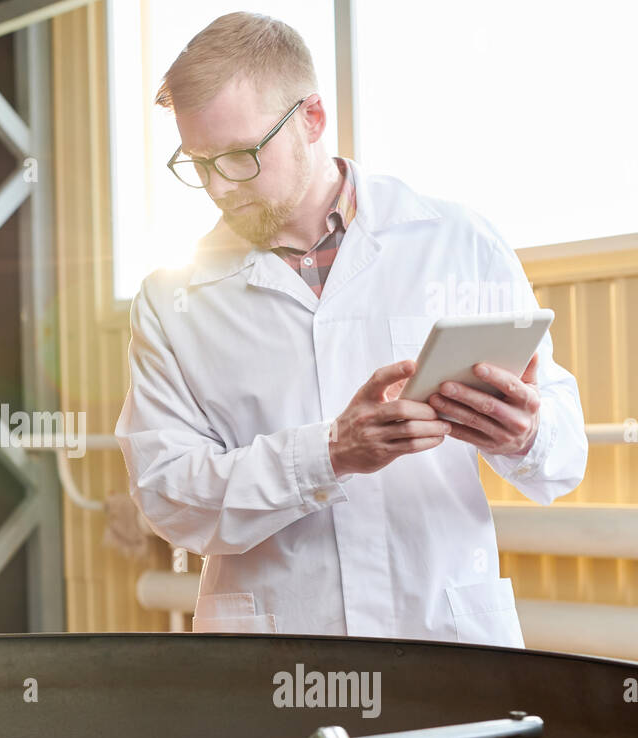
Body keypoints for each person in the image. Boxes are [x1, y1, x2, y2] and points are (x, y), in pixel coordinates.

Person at [114, 12, 587, 646]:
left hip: (444, 636)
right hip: (277, 658)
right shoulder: (173, 299)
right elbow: (168, 494)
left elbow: (564, 457)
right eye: (198, 165)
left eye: (240, 157)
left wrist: (526, 436)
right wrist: (327, 454)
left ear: (312, 118)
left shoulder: (456, 243)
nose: (220, 188)